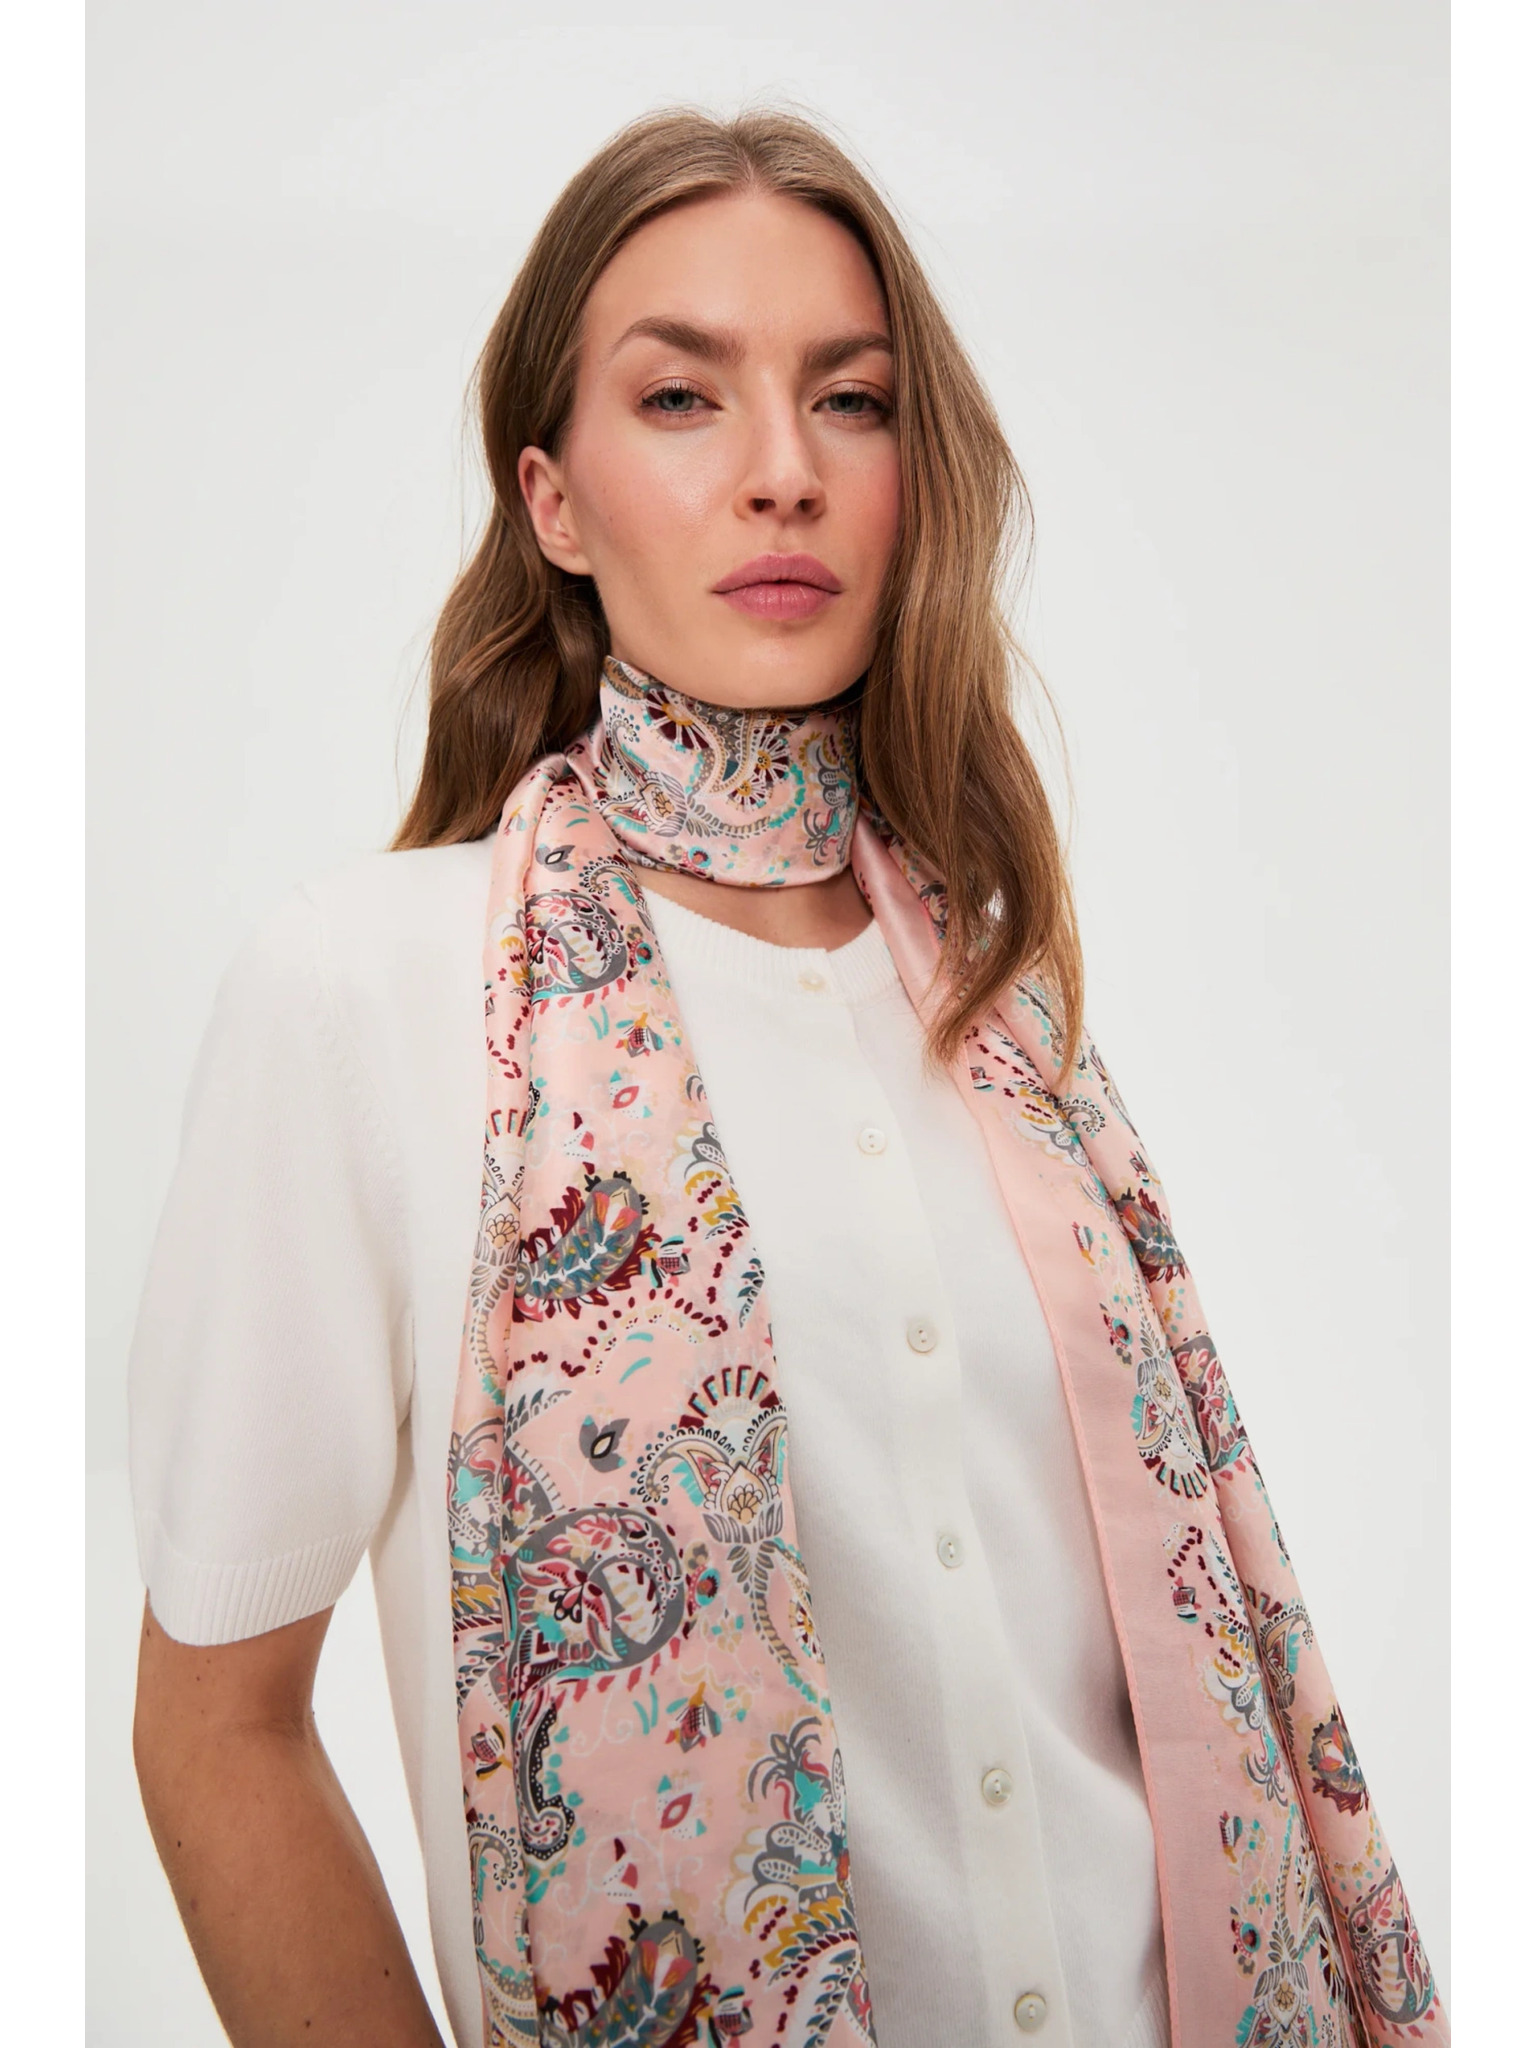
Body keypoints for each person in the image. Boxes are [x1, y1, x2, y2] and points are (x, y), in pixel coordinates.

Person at [129, 108, 1443, 2048]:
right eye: (681, 397)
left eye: (851, 401)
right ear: (553, 501)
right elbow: (216, 1727)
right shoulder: (370, 992)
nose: (782, 472)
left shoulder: (999, 1005)